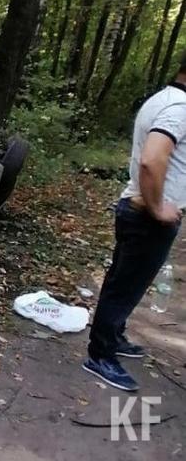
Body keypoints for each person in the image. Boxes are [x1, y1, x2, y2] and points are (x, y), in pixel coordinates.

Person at [84, 50, 186, 391]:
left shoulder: (163, 99)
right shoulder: (181, 108)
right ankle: (100, 355)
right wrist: (157, 208)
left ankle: (113, 337)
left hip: (136, 209)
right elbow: (151, 160)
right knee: (124, 287)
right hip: (147, 215)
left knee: (124, 281)